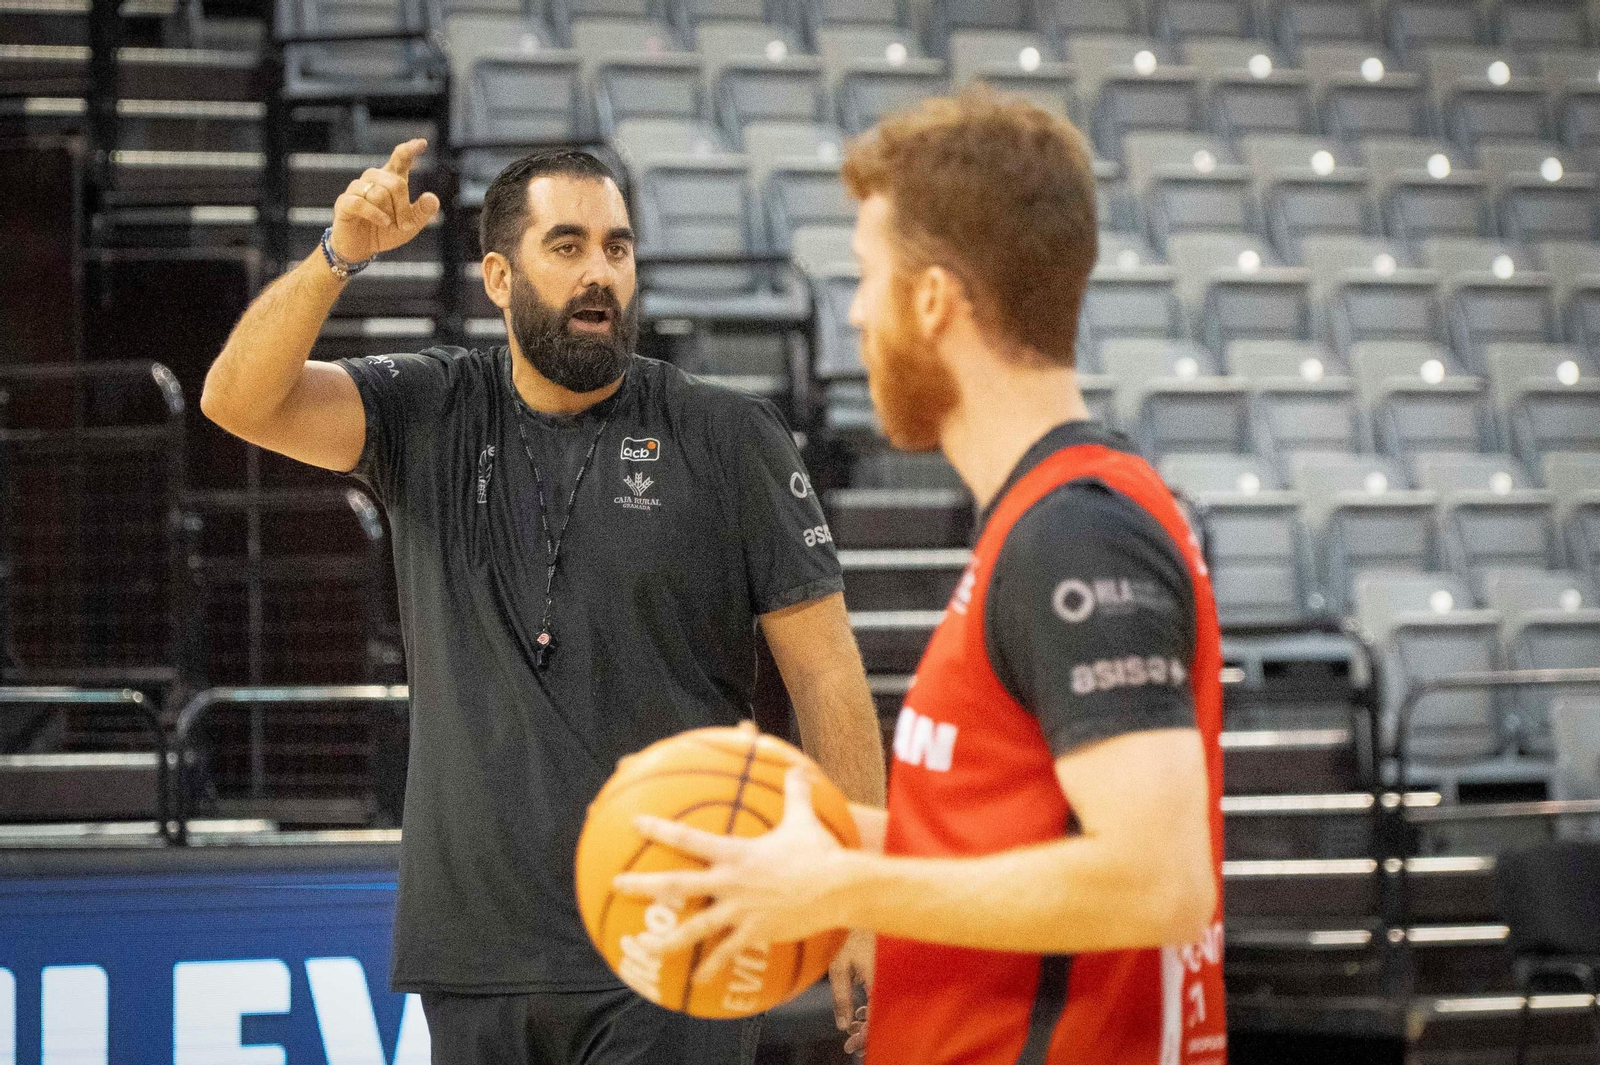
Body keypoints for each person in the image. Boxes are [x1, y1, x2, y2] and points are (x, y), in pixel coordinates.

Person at [200, 140, 886, 1065]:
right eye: (567, 247)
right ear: (498, 274)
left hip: (680, 943)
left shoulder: (727, 435)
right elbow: (238, 400)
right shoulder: (430, 411)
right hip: (475, 953)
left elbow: (826, 671)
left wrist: (856, 895)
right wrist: (338, 256)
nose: (599, 273)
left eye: (618, 246)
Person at [615, 89, 1229, 1065]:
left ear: (933, 298)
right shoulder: (1052, 513)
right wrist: (810, 831)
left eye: (867, 277)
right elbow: (1003, 830)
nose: (855, 313)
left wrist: (838, 889)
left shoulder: (1077, 535)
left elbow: (1157, 882)